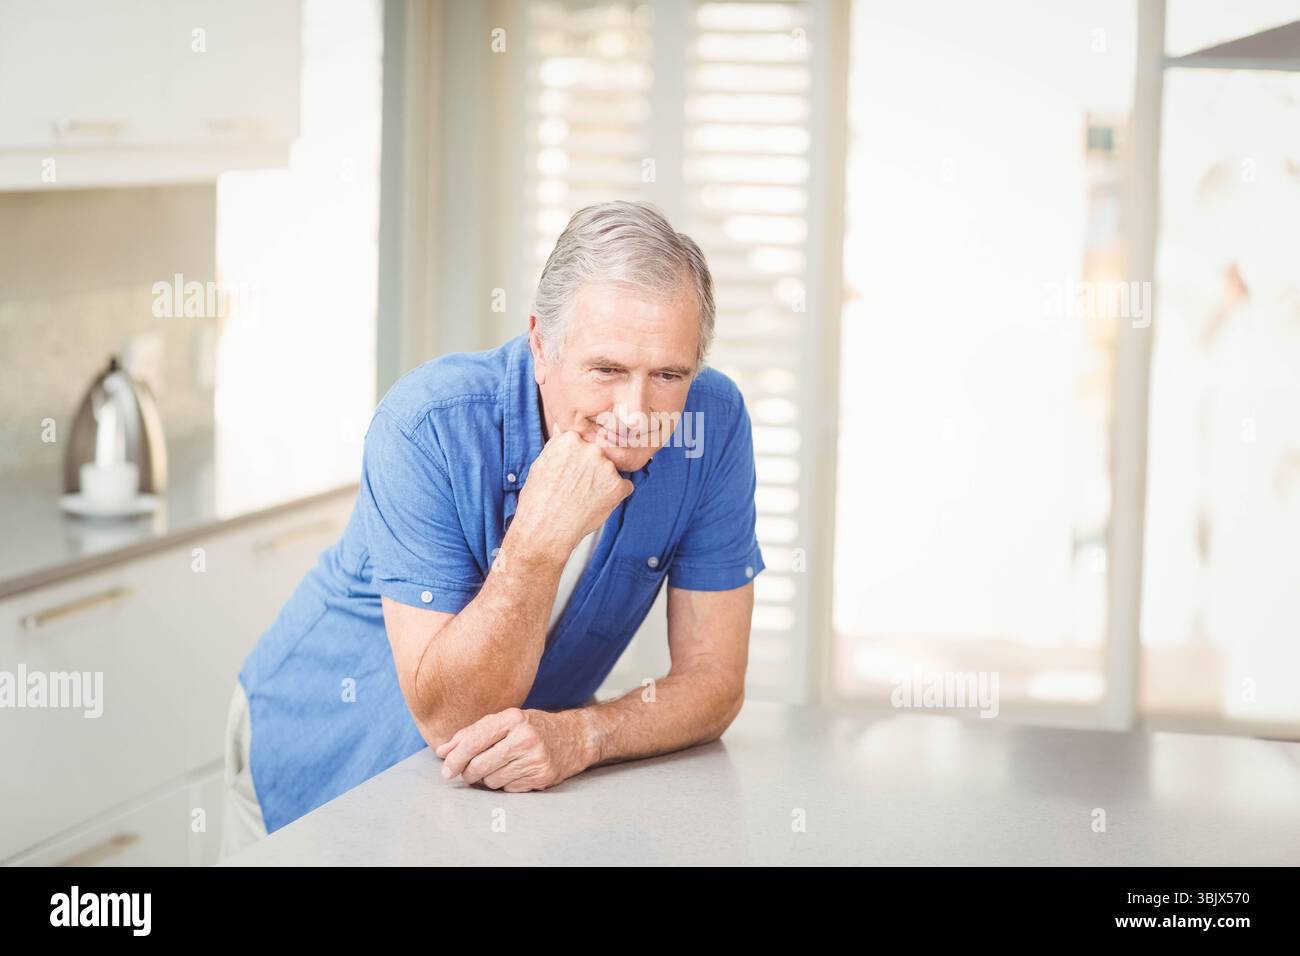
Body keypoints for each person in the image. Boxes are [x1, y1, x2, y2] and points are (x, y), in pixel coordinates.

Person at [220, 200, 764, 857]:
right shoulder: (427, 425)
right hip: (319, 749)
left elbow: (715, 682)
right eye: (606, 370)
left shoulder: (715, 424)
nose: (635, 412)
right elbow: (454, 719)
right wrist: (536, 544)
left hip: (478, 796)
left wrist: (582, 736)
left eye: (668, 376)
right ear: (540, 345)